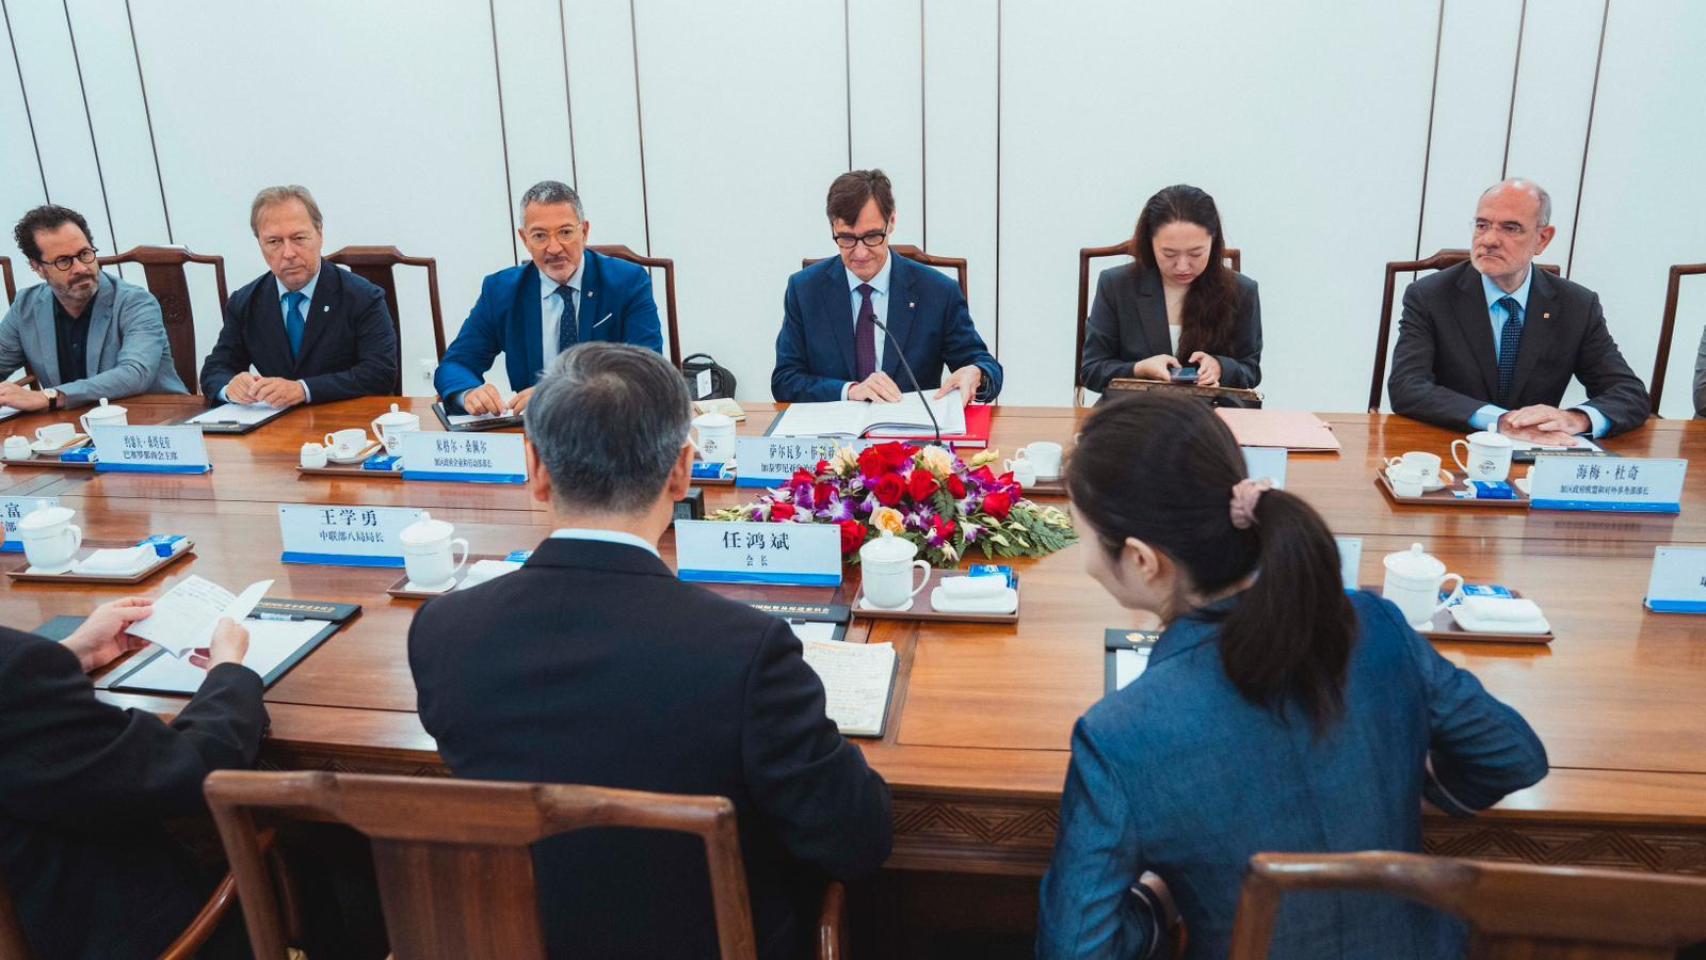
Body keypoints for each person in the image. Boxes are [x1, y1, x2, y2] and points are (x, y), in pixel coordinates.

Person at [410, 343, 892, 959]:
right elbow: (857, 840)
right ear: (683, 471)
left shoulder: (444, 630)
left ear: (534, 466)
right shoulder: (747, 651)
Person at [1036, 391, 1547, 960]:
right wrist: (1395, 782)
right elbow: (1511, 755)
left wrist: (1159, 898)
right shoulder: (1369, 622)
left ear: (1140, 559)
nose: (1083, 560)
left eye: (1080, 537)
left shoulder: (1120, 733)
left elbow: (1076, 949)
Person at [0, 588, 261, 960]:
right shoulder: (14, 669)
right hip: (105, 933)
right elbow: (191, 771)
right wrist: (229, 672)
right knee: (312, 852)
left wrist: (74, 653)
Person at [1388, 178, 1649, 441]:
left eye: (1510, 228)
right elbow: (1407, 387)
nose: (1489, 240)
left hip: (1537, 456)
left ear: (1542, 239)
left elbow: (1628, 393)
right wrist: (1499, 421)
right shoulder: (1430, 295)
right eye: (1482, 225)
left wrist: (1575, 419)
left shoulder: (1576, 306)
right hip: (1449, 444)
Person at [772, 168, 1002, 403]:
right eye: (847, 239)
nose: (860, 253)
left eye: (872, 237)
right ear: (833, 228)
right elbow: (785, 380)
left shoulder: (938, 292)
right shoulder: (805, 290)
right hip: (833, 436)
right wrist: (849, 391)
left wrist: (977, 374)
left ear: (891, 222)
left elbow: (985, 365)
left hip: (909, 434)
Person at [433, 180, 662, 415]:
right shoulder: (501, 291)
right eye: (540, 236)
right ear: (524, 239)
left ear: (584, 231)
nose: (554, 248)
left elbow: (646, 370)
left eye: (565, 232)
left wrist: (561, 395)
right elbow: (455, 365)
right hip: (534, 432)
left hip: (609, 423)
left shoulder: (627, 282)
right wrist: (469, 393)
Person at [199, 185, 397, 407]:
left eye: (299, 238)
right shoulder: (246, 302)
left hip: (345, 426)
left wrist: (304, 389)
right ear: (260, 244)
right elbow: (215, 369)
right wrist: (231, 387)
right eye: (274, 242)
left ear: (319, 235)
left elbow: (379, 373)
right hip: (274, 428)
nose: (288, 253)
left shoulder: (362, 297)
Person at [0, 204, 187, 411]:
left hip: (154, 422)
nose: (81, 268)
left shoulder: (136, 302)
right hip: (74, 431)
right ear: (38, 268)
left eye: (84, 254)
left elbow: (135, 373)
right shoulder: (26, 307)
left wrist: (51, 396)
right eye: (63, 261)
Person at [1079, 185, 1262, 394]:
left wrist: (1220, 367)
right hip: (1133, 414)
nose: (1182, 266)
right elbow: (1092, 371)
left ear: (1214, 242)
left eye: (1196, 254)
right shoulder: (1116, 285)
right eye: (1169, 254)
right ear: (1150, 243)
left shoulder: (1242, 290)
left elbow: (1251, 370)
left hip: (1209, 417)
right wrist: (1138, 369)